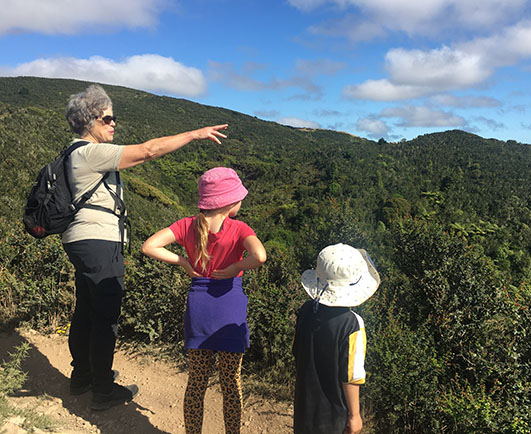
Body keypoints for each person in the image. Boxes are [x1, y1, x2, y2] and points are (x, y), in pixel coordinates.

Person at [62, 84, 228, 411]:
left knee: (86, 309)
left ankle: (82, 376)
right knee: (105, 315)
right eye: (107, 118)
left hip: (78, 240)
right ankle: (102, 390)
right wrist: (194, 134)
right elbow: (148, 150)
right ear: (89, 122)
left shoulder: (70, 153)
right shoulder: (89, 152)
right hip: (98, 243)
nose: (113, 124)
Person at [141, 166, 266, 434]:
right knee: (231, 382)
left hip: (199, 309)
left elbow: (149, 246)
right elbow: (260, 256)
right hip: (229, 308)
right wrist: (235, 268)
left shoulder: (186, 225)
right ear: (229, 201)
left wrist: (183, 262)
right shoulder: (240, 228)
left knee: (197, 382)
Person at [292, 243, 380, 434]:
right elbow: (351, 376)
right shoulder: (352, 324)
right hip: (334, 416)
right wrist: (355, 415)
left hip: (304, 408)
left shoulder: (306, 310)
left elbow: (297, 352)